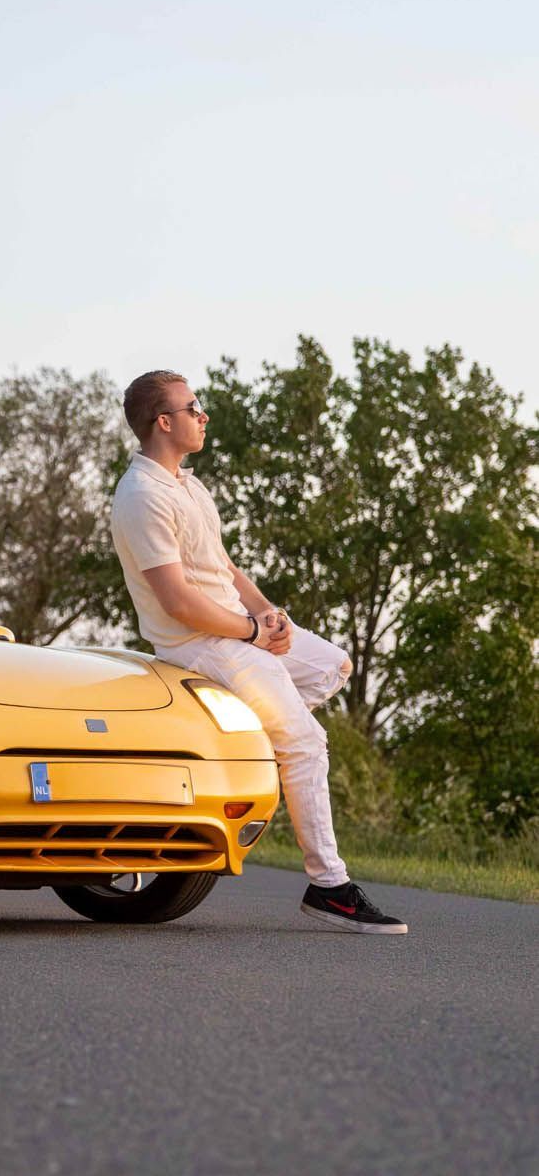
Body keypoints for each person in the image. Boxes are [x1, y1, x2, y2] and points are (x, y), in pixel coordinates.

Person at [109, 369, 407, 935]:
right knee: (306, 740)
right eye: (193, 408)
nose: (204, 415)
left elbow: (220, 567)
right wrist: (250, 634)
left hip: (238, 629)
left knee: (332, 664)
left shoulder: (187, 485)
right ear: (163, 422)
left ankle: (254, 750)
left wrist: (270, 615)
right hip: (201, 644)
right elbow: (176, 601)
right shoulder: (142, 495)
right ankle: (330, 887)